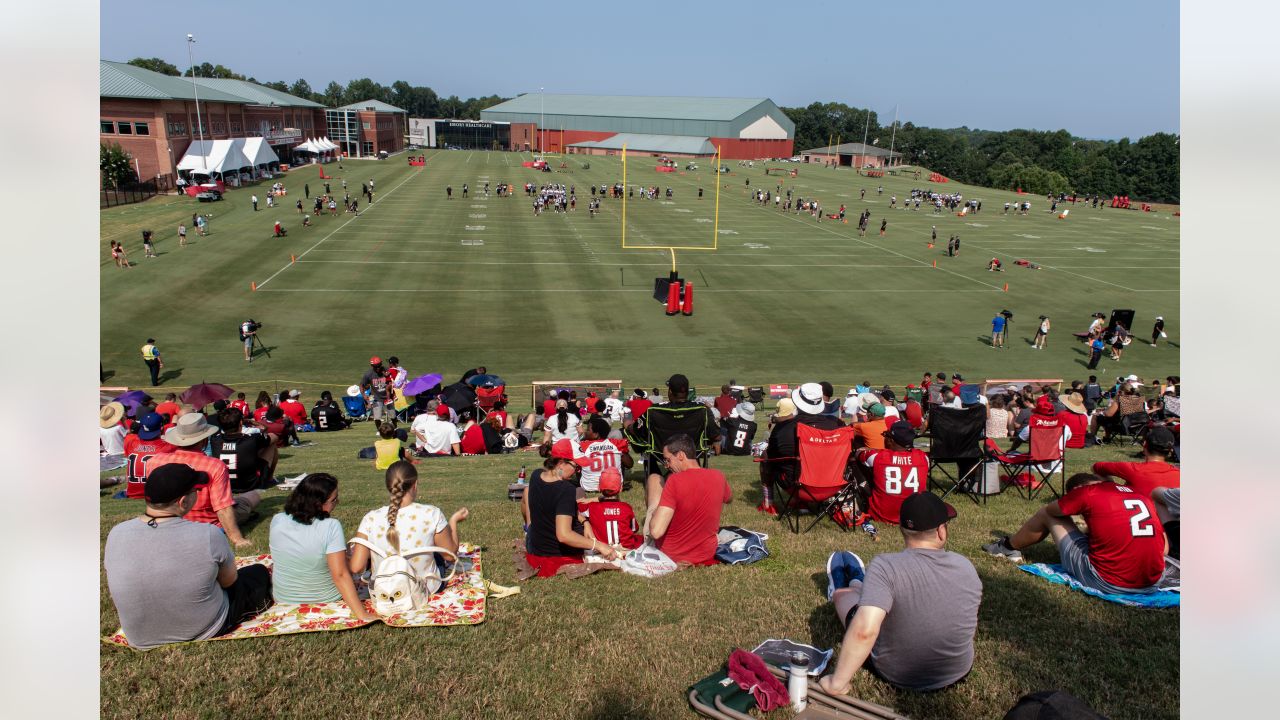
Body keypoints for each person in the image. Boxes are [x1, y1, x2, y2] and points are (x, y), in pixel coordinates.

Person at [819, 493, 981, 693]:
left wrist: (837, 683)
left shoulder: (886, 566)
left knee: (843, 596)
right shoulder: (965, 566)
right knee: (873, 597)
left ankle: (851, 584)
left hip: (898, 674)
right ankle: (861, 584)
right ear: (941, 532)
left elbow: (864, 631)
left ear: (902, 530)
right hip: (957, 671)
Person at [103, 464, 274, 649]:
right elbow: (229, 582)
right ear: (183, 501)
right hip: (204, 627)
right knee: (257, 573)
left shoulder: (117, 533)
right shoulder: (208, 534)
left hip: (139, 636)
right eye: (196, 491)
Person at [984, 473, 1168, 594]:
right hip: (1152, 581)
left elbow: (1053, 510)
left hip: (1110, 582)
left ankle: (1007, 547)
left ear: (1077, 490)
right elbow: (1165, 549)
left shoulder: (1087, 493)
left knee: (1046, 513)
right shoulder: (1139, 494)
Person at [143, 413, 263, 548]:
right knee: (254, 496)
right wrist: (237, 539)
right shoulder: (214, 466)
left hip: (167, 520)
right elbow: (223, 508)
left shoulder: (155, 461)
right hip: (207, 524)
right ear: (204, 440)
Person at [350, 462, 469, 593]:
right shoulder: (431, 513)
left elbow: (356, 567)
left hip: (384, 593)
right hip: (423, 590)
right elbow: (450, 555)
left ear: (388, 486)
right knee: (438, 556)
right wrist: (453, 521)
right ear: (415, 485)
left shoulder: (370, 519)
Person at [268, 474, 373, 622]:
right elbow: (340, 575)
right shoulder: (330, 527)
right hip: (326, 598)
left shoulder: (277, 520)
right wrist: (362, 614)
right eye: (334, 500)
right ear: (318, 504)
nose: (338, 502)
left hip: (283, 597)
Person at [521, 443, 617, 576]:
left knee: (527, 490)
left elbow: (556, 505)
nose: (578, 471)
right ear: (561, 463)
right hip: (556, 555)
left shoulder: (536, 475)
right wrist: (599, 545)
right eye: (576, 467)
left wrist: (585, 521)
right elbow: (564, 535)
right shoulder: (566, 490)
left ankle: (527, 530)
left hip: (534, 546)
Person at [649, 434, 732, 566]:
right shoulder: (718, 476)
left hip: (671, 554)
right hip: (705, 553)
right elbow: (729, 498)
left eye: (667, 460)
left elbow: (656, 532)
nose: (666, 465)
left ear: (681, 455)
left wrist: (654, 511)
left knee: (654, 478)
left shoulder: (675, 481)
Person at [758, 384, 842, 515]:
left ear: (797, 402)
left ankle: (768, 503)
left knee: (765, 456)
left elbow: (772, 456)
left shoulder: (783, 428)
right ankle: (839, 503)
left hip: (797, 486)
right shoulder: (837, 426)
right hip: (832, 485)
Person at [853, 421, 930, 526]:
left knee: (854, 462)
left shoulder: (877, 456)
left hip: (882, 515)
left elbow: (858, 453)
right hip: (913, 515)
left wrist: (871, 449)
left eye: (886, 436)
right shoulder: (923, 457)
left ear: (890, 440)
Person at [1092, 427, 1180, 497]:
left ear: (1145, 444)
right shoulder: (1178, 473)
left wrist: (1110, 483)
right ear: (1170, 450)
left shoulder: (1133, 469)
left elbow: (1096, 467)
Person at [209, 408, 277, 493]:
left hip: (224, 484)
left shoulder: (214, 440)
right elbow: (274, 436)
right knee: (271, 445)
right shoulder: (251, 439)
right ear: (241, 422)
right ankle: (269, 478)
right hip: (249, 485)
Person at [580, 469, 642, 550]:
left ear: (599, 488)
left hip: (601, 549)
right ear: (621, 488)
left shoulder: (592, 507)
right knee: (641, 539)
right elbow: (634, 529)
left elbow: (576, 506)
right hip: (625, 549)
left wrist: (590, 500)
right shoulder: (626, 508)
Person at [574, 417, 633, 492]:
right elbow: (629, 464)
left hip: (589, 487)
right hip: (614, 486)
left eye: (588, 430)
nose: (586, 431)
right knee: (619, 457)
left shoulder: (583, 446)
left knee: (578, 463)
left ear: (596, 434)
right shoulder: (616, 443)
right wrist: (622, 453)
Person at [362, 357, 392, 422]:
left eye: (379, 366)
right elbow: (362, 385)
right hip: (377, 398)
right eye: (375, 366)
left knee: (393, 416)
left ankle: (395, 428)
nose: (378, 368)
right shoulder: (368, 374)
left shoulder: (388, 370)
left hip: (389, 397)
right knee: (377, 418)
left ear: (381, 364)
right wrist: (364, 395)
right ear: (372, 366)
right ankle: (379, 431)